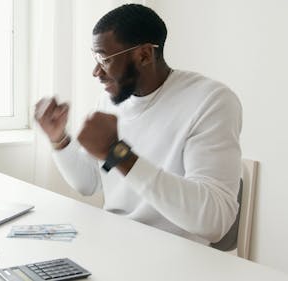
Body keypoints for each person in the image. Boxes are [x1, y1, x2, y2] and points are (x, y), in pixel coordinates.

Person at [34, 4, 242, 245]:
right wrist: (58, 138)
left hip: (176, 256)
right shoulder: (112, 100)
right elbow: (88, 182)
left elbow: (214, 222)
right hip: (117, 244)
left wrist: (117, 152)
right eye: (95, 57)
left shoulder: (209, 101)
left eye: (105, 59)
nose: (96, 72)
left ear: (143, 55)